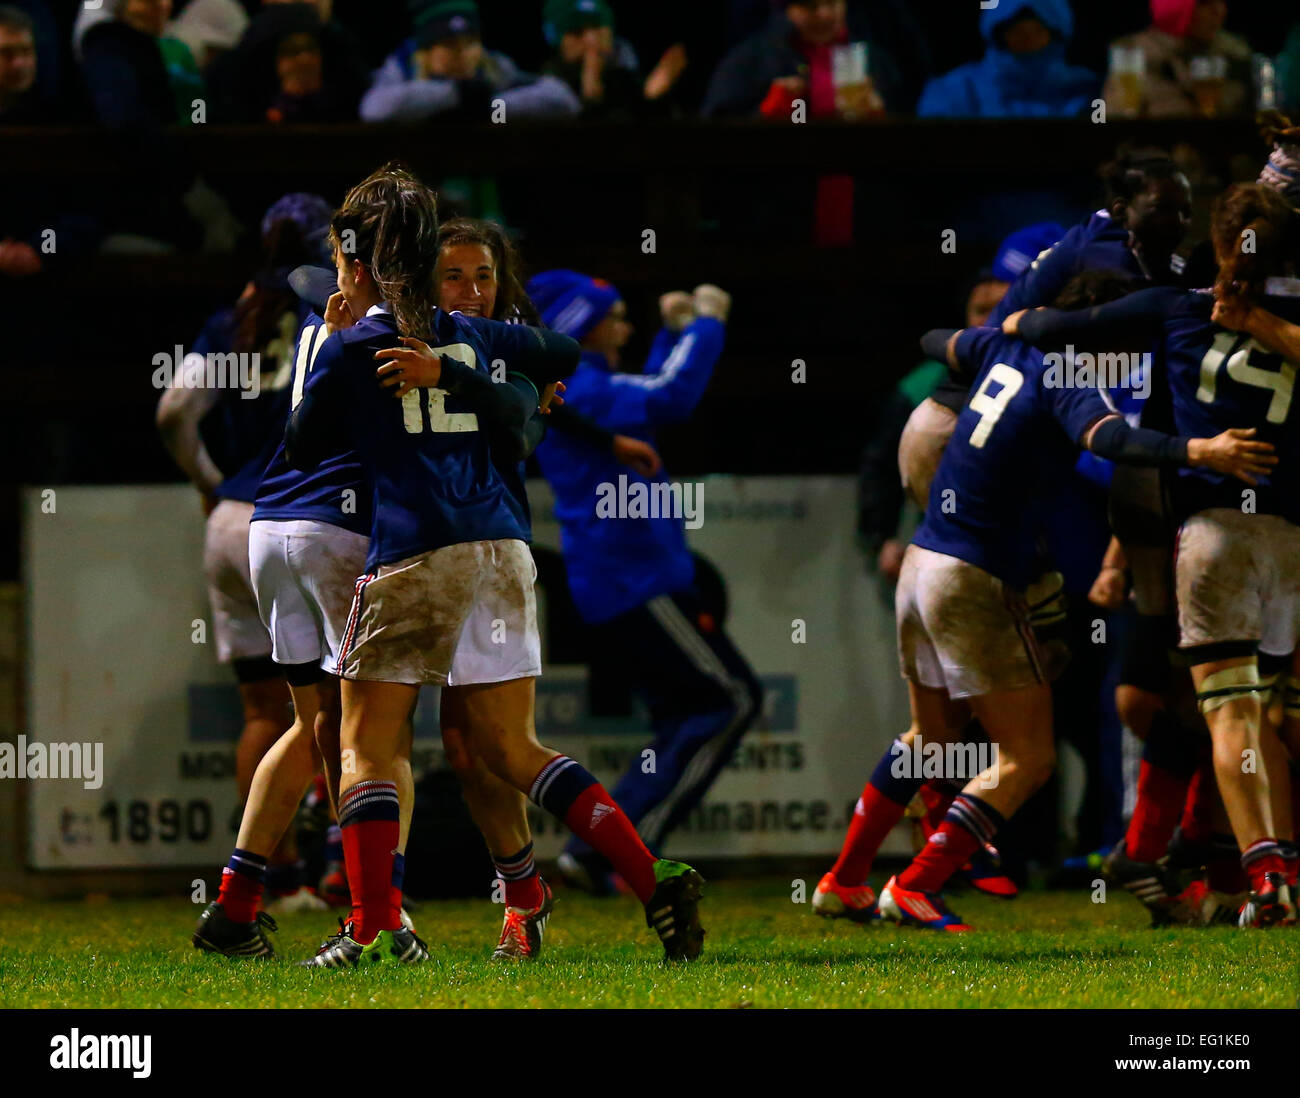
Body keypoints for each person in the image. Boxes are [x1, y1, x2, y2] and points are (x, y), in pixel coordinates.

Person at [286, 166, 706, 966]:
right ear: (425, 269)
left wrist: (342, 345)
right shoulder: (479, 337)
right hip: (502, 552)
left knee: (370, 745)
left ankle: (375, 925)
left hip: (417, 553)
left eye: (484, 276)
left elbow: (301, 442)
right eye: (456, 274)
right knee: (504, 750)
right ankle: (648, 878)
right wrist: (466, 368)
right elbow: (556, 357)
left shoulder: (366, 346)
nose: (474, 289)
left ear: (368, 266)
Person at [835, 270, 1272, 932]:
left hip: (922, 561)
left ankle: (843, 880)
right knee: (1028, 759)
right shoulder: (1069, 373)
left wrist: (994, 330)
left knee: (931, 741)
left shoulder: (1000, 350)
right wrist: (1200, 448)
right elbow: (1111, 442)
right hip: (972, 573)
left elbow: (930, 339)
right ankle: (916, 883)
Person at [1005, 184, 1300, 927]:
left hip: (1211, 535)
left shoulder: (1175, 307)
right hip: (1285, 535)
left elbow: (1059, 324)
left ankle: (1262, 880)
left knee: (1230, 715)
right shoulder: (1282, 313)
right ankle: (1237, 868)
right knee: (1268, 718)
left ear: (1221, 245)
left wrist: (1014, 321)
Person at [527, 269, 763, 896]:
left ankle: (595, 851)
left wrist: (674, 332)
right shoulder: (583, 388)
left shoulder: (587, 388)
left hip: (627, 581)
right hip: (633, 582)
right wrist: (707, 322)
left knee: (692, 713)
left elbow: (651, 389)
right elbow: (670, 396)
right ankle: (624, 857)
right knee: (730, 699)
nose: (626, 327)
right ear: (583, 325)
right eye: (616, 316)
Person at [160, 195, 335, 919]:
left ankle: (276, 880)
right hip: (302, 514)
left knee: (265, 712)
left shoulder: (237, 313)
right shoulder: (334, 305)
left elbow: (173, 411)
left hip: (231, 518)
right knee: (339, 708)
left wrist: (208, 484)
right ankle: (344, 878)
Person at [361, 0, 579, 122]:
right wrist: (455, 95)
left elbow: (563, 100)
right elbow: (374, 109)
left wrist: (492, 108)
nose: (463, 53)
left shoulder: (494, 68)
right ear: (426, 51)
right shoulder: (403, 67)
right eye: (449, 44)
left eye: (470, 43)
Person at [701, 0, 908, 119]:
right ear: (787, 10)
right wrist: (766, 113)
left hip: (858, 190)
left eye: (832, 3)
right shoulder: (752, 59)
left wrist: (880, 116)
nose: (825, 14)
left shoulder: (873, 59)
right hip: (782, 188)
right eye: (810, 6)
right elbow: (713, 135)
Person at [917, 0, 1098, 120]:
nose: (1028, 40)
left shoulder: (1087, 89)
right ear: (999, 35)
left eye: (1037, 31)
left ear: (1055, 35)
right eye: (1017, 32)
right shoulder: (957, 90)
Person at [1102, 0, 1253, 119]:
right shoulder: (1134, 56)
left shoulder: (1235, 54)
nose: (1219, 11)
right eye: (1204, 3)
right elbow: (1117, 128)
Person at [540, 0, 644, 120]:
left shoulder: (629, 76)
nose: (591, 40)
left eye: (597, 28)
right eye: (577, 32)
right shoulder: (547, 85)